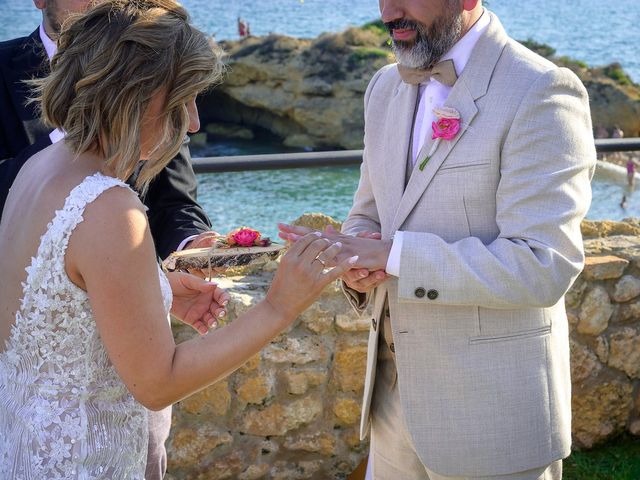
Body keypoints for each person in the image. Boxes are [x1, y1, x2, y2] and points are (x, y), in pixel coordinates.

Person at [0, 1, 356, 478]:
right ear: (133, 96)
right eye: (181, 101)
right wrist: (280, 305)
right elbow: (157, 383)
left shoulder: (39, 170)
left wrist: (158, 286)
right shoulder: (108, 206)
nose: (193, 123)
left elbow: (54, 301)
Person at [280, 0, 596, 478]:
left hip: (494, 421)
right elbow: (368, 213)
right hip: (391, 405)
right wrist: (356, 257)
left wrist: (396, 255)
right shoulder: (383, 87)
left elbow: (543, 264)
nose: (388, 13)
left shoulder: (541, 89)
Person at [0, 0, 218, 261]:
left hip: (131, 277)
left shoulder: (155, 68)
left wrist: (192, 246)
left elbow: (174, 202)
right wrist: (82, 133)